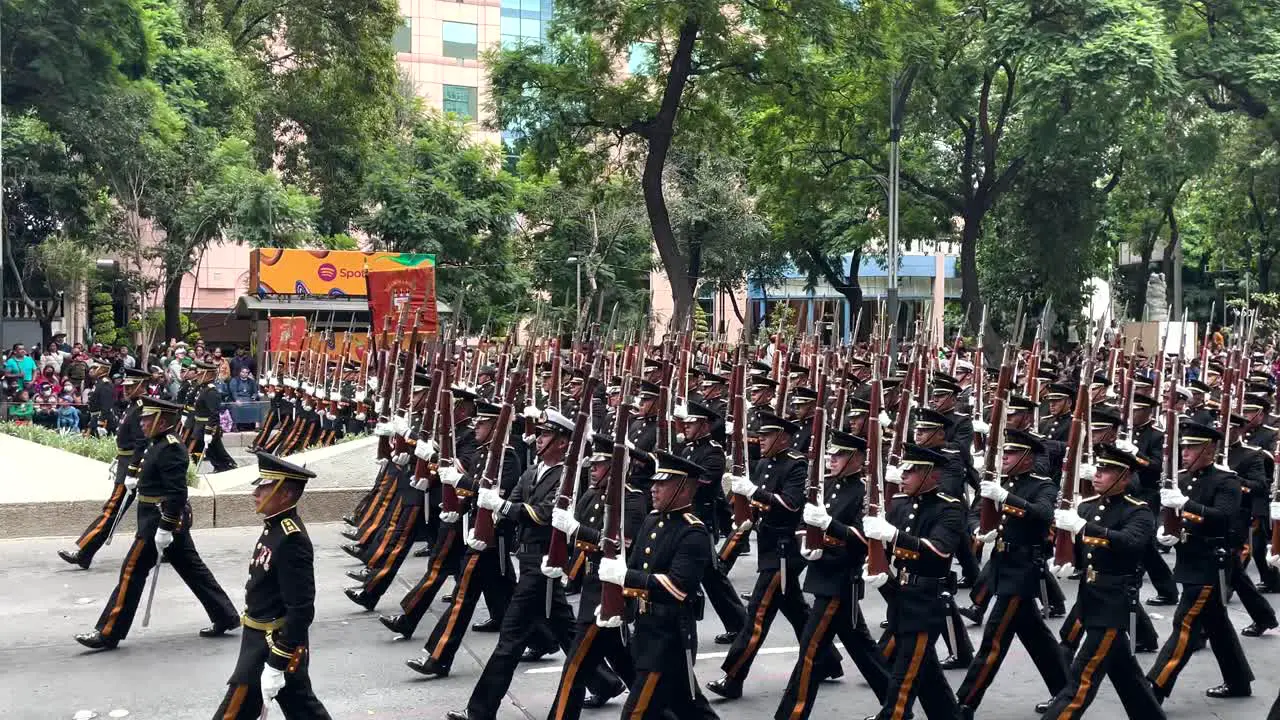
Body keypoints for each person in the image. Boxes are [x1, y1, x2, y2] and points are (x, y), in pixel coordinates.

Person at [74, 396, 239, 650]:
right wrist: (134, 478)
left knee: (131, 572)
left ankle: (108, 632)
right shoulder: (157, 443)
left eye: (148, 418)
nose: (142, 422)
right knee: (193, 570)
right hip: (158, 518)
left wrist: (165, 527)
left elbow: (176, 493)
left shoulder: (171, 447)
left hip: (158, 521)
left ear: (162, 421)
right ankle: (225, 616)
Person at [707, 410, 841, 700]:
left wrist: (754, 492)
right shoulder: (764, 464)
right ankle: (828, 661)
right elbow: (755, 506)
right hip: (768, 546)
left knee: (757, 615)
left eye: (767, 436)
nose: (761, 440)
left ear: (783, 438)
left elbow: (791, 505)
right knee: (795, 608)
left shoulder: (796, 465)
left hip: (785, 551)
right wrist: (739, 507)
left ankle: (733, 676)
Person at [1035, 444, 1166, 719]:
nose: (1098, 475)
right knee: (1127, 675)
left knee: (1081, 679)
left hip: (1114, 604)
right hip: (1090, 599)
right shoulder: (1087, 506)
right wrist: (1062, 558)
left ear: (1125, 477)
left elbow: (1130, 542)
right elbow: (1081, 553)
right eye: (1098, 469)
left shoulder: (1138, 511)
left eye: (1106, 471)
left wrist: (1083, 527)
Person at [595, 449, 722, 720]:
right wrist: (616, 604)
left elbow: (677, 587)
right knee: (690, 709)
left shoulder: (693, 531)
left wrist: (624, 578)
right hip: (646, 633)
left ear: (685, 489)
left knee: (635, 714)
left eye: (662, 484)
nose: (653, 488)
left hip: (669, 637)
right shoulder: (653, 520)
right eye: (654, 483)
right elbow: (636, 568)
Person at [776, 429, 890, 720]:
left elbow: (867, 539)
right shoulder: (823, 485)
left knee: (810, 650)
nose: (832, 459)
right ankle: (896, 707)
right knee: (863, 649)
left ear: (858, 458)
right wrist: (806, 543)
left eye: (839, 454)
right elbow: (804, 521)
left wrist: (829, 527)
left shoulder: (865, 492)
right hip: (821, 573)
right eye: (831, 453)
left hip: (841, 579)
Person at [955, 428, 1068, 718]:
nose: (1004, 457)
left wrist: (1006, 497)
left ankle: (965, 702)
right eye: (1004, 452)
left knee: (993, 640)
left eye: (1012, 452)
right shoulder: (996, 483)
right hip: (1001, 566)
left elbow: (1043, 514)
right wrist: (979, 530)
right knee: (1038, 638)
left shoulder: (1043, 486)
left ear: (1028, 458)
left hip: (1023, 570)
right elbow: (973, 512)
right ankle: (1066, 692)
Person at [211, 451, 331, 719]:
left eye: (264, 486)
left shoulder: (291, 539)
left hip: (270, 645)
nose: (256, 492)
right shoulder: (274, 529)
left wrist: (277, 662)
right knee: (304, 709)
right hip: (260, 639)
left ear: (285, 494)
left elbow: (301, 609)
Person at [1145, 420, 1255, 702]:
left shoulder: (1226, 480)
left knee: (1184, 625)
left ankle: (1155, 687)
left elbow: (1223, 517)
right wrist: (1165, 530)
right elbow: (1170, 515)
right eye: (1184, 447)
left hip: (1210, 563)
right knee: (1217, 626)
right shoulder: (1181, 478)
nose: (1185, 453)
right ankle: (1238, 681)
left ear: (1210, 449)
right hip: (1188, 560)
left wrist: (1185, 505)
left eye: (1192, 448)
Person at [861, 443, 965, 720]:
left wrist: (893, 536)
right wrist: (872, 564)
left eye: (911, 472)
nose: (903, 477)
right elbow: (881, 548)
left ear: (931, 475)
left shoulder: (949, 509)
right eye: (903, 471)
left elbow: (939, 549)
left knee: (905, 671)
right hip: (900, 596)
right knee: (925, 671)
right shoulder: (898, 504)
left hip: (927, 602)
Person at [59, 369, 150, 569]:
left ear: (141, 386)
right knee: (155, 508)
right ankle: (172, 547)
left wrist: (133, 470)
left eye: (130, 386)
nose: (125, 389)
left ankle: (84, 552)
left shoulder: (141, 409)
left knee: (112, 510)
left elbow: (141, 442)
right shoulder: (133, 406)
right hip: (126, 463)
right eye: (124, 386)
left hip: (132, 467)